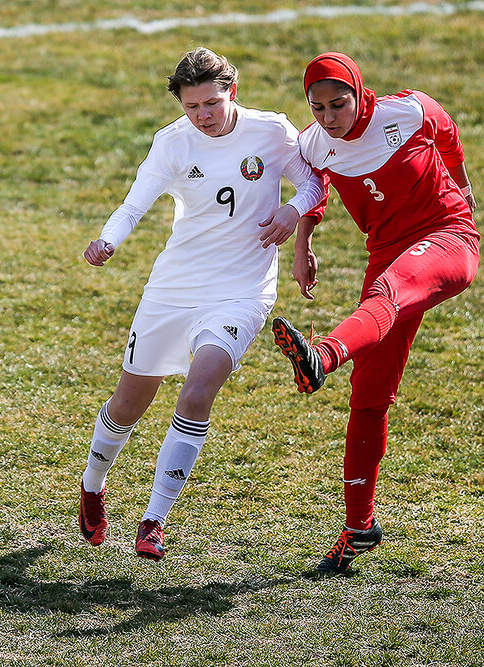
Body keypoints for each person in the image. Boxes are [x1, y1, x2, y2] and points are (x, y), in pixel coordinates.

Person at [79, 47, 325, 561]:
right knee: (128, 404)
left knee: (196, 394)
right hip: (175, 286)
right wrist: (108, 241)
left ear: (232, 91)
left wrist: (291, 210)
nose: (203, 116)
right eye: (192, 107)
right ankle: (92, 486)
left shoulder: (271, 131)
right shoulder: (172, 143)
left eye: (211, 103)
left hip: (241, 289)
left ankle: (153, 521)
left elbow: (312, 181)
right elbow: (133, 205)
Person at [271, 52, 480, 573]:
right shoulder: (314, 143)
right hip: (386, 253)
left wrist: (462, 184)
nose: (329, 117)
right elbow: (314, 189)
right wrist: (303, 245)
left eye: (338, 104)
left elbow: (448, 133)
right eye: (317, 107)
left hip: (447, 236)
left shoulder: (406, 111)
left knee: (384, 295)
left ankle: (321, 356)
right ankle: (358, 527)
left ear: (359, 93)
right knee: (368, 397)